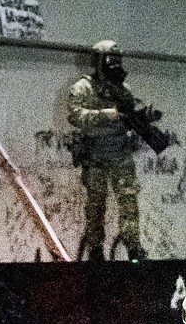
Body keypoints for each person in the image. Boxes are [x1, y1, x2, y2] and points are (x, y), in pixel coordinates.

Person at [67, 39, 160, 262]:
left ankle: (134, 248)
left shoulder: (123, 89)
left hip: (119, 152)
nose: (115, 65)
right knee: (96, 205)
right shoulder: (83, 88)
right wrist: (109, 114)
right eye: (110, 60)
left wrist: (143, 118)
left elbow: (132, 112)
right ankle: (96, 249)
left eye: (117, 60)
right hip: (95, 154)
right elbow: (75, 116)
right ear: (99, 62)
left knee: (129, 202)